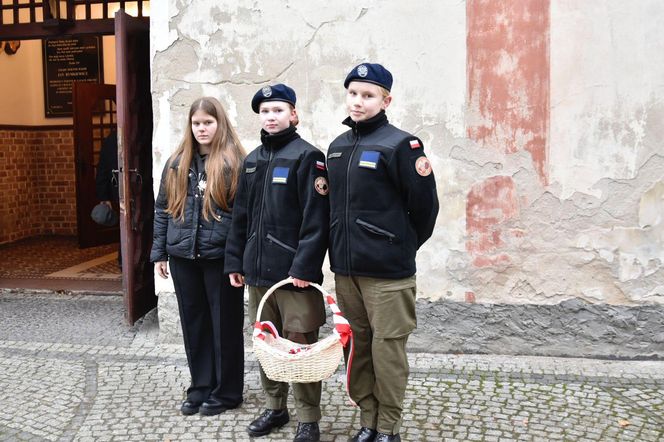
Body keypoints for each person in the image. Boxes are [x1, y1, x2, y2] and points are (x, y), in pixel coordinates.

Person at [326, 63, 439, 442]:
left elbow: (425, 209)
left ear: (385, 100)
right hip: (346, 271)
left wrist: (399, 246)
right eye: (354, 93)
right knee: (358, 349)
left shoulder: (401, 146)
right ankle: (367, 420)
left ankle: (388, 427)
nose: (358, 102)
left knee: (387, 352)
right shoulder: (337, 148)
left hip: (388, 274)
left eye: (368, 95)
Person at [225, 84, 330, 442]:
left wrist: (303, 268)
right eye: (265, 112)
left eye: (278, 110)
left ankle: (308, 418)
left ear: (293, 114)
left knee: (299, 346)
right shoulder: (251, 160)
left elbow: (317, 221)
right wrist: (234, 262)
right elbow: (240, 216)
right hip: (257, 275)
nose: (271, 117)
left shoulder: (308, 157)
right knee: (267, 344)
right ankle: (275, 407)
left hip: (292, 277)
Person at [149, 97, 246, 417]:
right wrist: (159, 251)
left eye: (208, 122)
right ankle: (201, 387)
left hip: (220, 259)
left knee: (225, 326)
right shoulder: (177, 161)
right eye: (196, 123)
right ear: (190, 126)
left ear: (220, 124)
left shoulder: (233, 162)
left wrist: (236, 259)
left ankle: (228, 391)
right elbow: (163, 208)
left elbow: (241, 217)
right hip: (183, 258)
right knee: (195, 325)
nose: (202, 128)